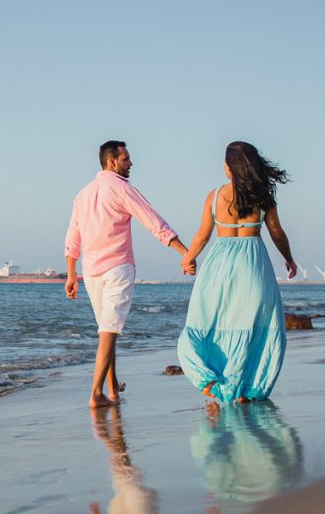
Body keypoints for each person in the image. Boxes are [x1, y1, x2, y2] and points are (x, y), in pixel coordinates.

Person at [65, 140, 191, 408]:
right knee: (108, 331)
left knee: (106, 331)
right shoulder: (122, 189)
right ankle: (96, 394)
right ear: (112, 162)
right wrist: (184, 251)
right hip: (117, 269)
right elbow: (153, 221)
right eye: (126, 159)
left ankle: (112, 388)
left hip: (90, 272)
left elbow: (72, 238)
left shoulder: (83, 194)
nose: (131, 163)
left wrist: (70, 275)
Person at [176, 141, 298, 404]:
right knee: (251, 327)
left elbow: (202, 236)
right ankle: (244, 388)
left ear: (228, 168)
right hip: (253, 264)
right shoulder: (263, 197)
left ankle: (215, 382)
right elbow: (277, 233)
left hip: (219, 266)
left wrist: (188, 259)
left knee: (211, 322)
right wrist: (289, 259)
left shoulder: (215, 196)